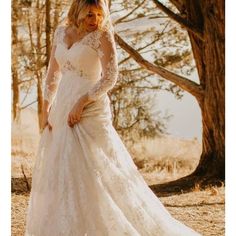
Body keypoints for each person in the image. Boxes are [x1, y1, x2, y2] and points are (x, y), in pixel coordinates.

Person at [24, 0, 202, 235]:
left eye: (99, 15)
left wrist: (83, 101)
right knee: (62, 166)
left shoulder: (102, 35)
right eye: (89, 14)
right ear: (77, 12)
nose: (95, 20)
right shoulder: (60, 32)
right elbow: (52, 74)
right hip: (62, 106)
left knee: (95, 165)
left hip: (90, 106)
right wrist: (45, 109)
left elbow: (110, 77)